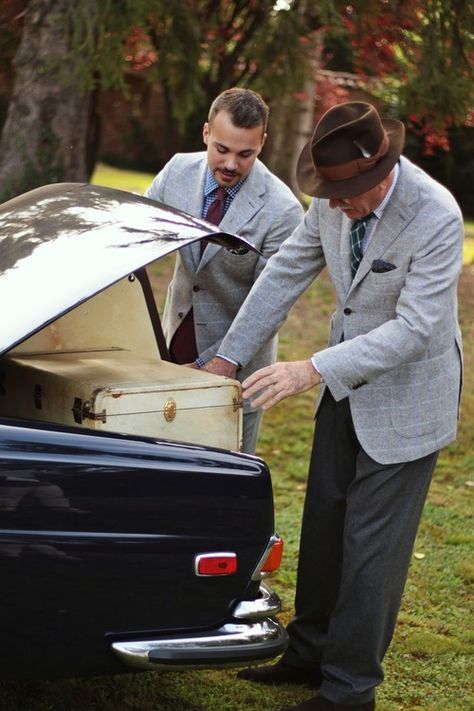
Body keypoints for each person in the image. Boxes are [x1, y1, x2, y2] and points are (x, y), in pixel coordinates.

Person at [203, 101, 464, 710]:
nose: (337, 204)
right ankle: (307, 656)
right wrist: (227, 359)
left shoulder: (437, 215)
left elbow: (417, 328)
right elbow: (286, 271)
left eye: (349, 193)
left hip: (406, 398)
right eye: (329, 191)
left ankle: (349, 690)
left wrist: (311, 368)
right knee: (323, 530)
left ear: (381, 172)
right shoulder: (333, 195)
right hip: (345, 389)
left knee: (372, 550)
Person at [145, 87, 304, 454]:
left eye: (245, 153)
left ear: (262, 142)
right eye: (222, 149)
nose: (231, 164)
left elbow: (270, 304)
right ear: (206, 133)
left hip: (236, 370)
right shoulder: (176, 173)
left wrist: (216, 364)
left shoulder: (283, 211)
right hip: (172, 346)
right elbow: (135, 240)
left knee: (220, 485)